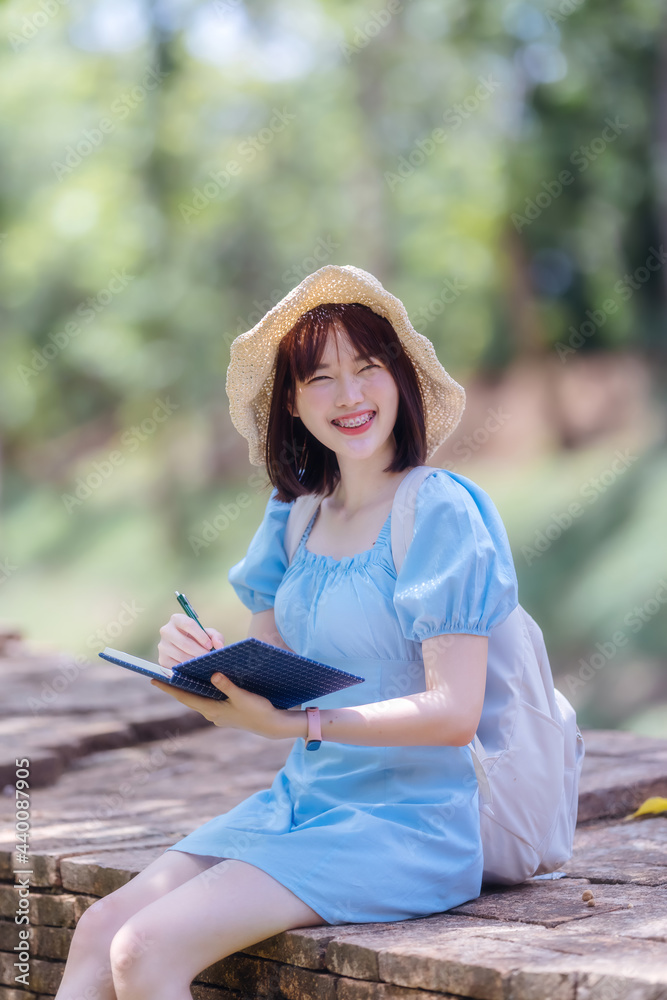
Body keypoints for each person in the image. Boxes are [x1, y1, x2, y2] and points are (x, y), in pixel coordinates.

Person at [54, 264, 519, 1000]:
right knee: (96, 933)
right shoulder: (295, 515)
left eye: (366, 368)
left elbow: (453, 712)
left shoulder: (438, 511)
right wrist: (207, 671)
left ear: (399, 378)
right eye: (319, 378)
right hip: (299, 803)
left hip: (407, 825)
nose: (349, 396)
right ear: (292, 403)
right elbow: (270, 670)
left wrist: (302, 725)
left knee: (144, 949)